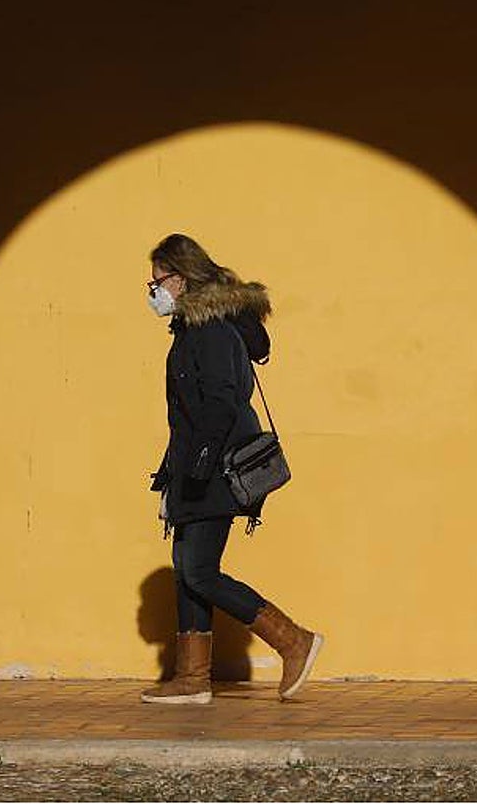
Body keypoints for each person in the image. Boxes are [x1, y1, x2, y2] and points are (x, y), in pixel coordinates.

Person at [141, 233, 324, 705]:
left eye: (156, 281)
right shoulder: (194, 327)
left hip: (215, 468)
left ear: (180, 279)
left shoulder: (210, 329)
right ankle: (192, 678)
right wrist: (175, 472)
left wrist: (199, 466)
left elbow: (222, 402)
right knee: (188, 569)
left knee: (200, 571)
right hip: (194, 466)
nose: (153, 291)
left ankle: (293, 641)